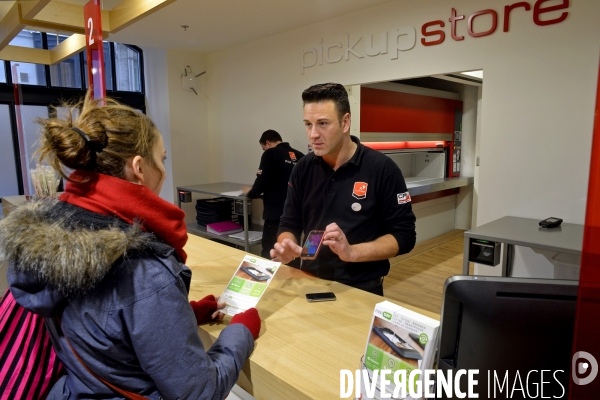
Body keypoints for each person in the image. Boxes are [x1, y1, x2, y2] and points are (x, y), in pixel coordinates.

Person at [0, 93, 261, 399]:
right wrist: (240, 331)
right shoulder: (142, 268)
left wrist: (182, 316)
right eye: (161, 159)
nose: (163, 171)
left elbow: (103, 327)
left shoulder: (56, 239)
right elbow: (198, 392)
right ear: (139, 167)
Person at [270, 83, 417, 296]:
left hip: (362, 289)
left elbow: (404, 236)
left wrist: (352, 252)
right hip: (309, 282)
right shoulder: (302, 168)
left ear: (345, 122)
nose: (313, 134)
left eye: (322, 124)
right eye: (308, 124)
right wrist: (287, 245)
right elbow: (289, 222)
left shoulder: (382, 169)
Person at [242, 130, 304, 263]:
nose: (264, 150)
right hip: (296, 217)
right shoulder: (300, 156)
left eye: (263, 148)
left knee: (270, 253)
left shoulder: (271, 153)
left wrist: (250, 192)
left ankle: (268, 283)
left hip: (275, 215)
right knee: (292, 253)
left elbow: (261, 182)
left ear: (268, 143)